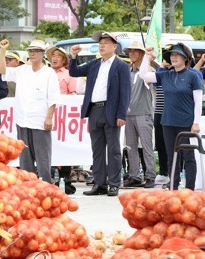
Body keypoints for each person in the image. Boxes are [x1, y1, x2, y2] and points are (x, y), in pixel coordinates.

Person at [69, 32, 131, 196]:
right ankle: (99, 183)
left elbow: (125, 93)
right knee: (97, 150)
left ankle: (114, 183)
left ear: (114, 47)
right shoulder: (95, 64)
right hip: (94, 110)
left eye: (106, 43)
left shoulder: (122, 66)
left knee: (113, 150)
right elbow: (74, 72)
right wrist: (73, 56)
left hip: (110, 111)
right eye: (100, 43)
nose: (102, 45)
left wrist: (121, 115)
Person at [139, 43, 203, 190]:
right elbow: (143, 75)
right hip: (167, 122)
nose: (173, 57)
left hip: (186, 122)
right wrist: (147, 57)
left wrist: (196, 122)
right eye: (171, 55)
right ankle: (173, 188)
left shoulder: (193, 75)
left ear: (185, 58)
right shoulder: (165, 75)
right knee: (172, 156)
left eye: (177, 55)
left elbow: (198, 101)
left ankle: (189, 190)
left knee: (188, 157)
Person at [0, 39, 60, 183]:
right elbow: (2, 71)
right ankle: (28, 184)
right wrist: (3, 51)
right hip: (22, 119)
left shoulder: (49, 73)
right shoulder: (22, 70)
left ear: (42, 54)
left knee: (42, 157)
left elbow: (53, 97)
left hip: (39, 120)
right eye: (30, 51)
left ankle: (46, 184)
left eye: (35, 51)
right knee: (25, 157)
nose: (32, 54)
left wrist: (49, 118)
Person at [122, 40, 156, 189]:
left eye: (135, 51)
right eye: (130, 51)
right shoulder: (126, 71)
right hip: (128, 114)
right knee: (130, 147)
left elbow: (147, 75)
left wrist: (149, 59)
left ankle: (150, 176)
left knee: (147, 147)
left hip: (143, 113)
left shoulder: (147, 72)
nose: (132, 54)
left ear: (142, 53)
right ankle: (134, 176)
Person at [46, 45, 79, 193]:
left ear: (64, 59)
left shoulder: (69, 74)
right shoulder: (45, 73)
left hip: (63, 116)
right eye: (53, 56)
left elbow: (73, 94)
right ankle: (50, 177)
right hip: (46, 114)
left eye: (58, 56)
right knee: (48, 146)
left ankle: (66, 179)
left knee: (63, 145)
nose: (55, 58)